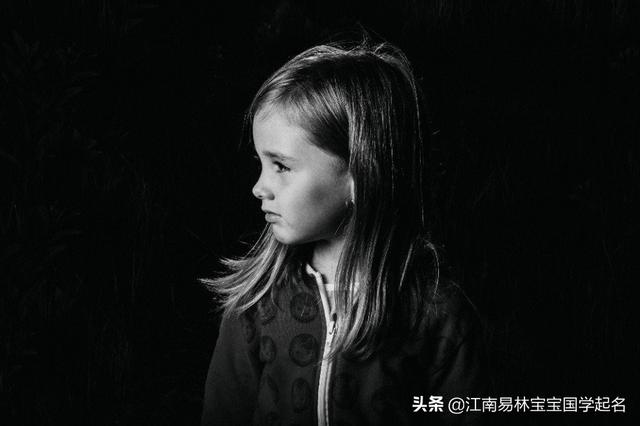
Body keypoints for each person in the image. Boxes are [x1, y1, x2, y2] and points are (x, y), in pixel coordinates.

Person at [200, 38, 489, 426]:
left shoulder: (436, 315)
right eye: (261, 164)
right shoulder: (256, 303)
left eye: (281, 166)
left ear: (359, 175)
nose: (259, 187)